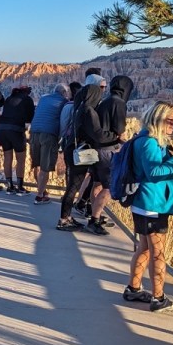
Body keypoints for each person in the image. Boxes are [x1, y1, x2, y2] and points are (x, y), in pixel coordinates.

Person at [124, 100, 173, 313]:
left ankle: (133, 289)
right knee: (158, 252)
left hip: (146, 203)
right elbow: (153, 172)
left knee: (144, 247)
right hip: (152, 204)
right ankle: (158, 297)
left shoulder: (148, 140)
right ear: (158, 118)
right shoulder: (150, 143)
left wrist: (172, 156)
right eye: (171, 120)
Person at [57, 75, 117, 232]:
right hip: (79, 153)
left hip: (72, 149)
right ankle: (63, 220)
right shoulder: (89, 111)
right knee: (74, 186)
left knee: (73, 185)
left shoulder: (80, 108)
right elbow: (97, 133)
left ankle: (67, 217)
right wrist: (114, 137)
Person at [88, 75, 135, 232]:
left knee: (96, 183)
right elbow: (119, 130)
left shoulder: (105, 101)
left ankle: (94, 214)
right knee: (108, 187)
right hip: (109, 150)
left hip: (96, 148)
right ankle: (94, 220)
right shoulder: (119, 103)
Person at [30, 83, 69, 205]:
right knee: (45, 167)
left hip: (34, 132)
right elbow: (64, 120)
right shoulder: (64, 102)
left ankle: (43, 191)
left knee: (36, 164)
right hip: (49, 134)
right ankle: (40, 196)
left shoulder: (43, 98)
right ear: (64, 93)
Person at [0, 85, 35, 195]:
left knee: (8, 157)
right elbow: (30, 118)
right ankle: (20, 187)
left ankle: (9, 186)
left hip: (2, 130)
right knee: (20, 159)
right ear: (26, 92)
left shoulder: (9, 98)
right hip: (16, 130)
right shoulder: (27, 99)